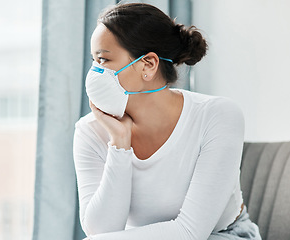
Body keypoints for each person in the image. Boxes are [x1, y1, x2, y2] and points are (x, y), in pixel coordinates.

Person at [72, 3, 262, 240]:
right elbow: (101, 232)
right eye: (94, 60)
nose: (94, 72)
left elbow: (191, 232)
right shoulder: (90, 131)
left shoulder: (218, 115)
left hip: (219, 235)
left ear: (148, 65)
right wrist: (119, 144)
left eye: (103, 60)